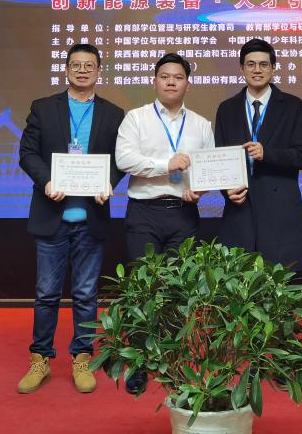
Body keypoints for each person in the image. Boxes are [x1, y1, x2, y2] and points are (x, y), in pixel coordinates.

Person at [17, 43, 125, 395]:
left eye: (89, 65)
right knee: (46, 293)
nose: (82, 70)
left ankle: (82, 358)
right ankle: (40, 359)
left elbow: (120, 159)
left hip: (91, 217)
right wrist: (46, 181)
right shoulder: (43, 107)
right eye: (76, 65)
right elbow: (27, 153)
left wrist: (109, 182)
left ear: (99, 71)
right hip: (52, 215)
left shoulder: (113, 114)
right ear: (66, 70)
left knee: (85, 293)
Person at [114, 52, 218, 394]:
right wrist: (166, 164)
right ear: (155, 81)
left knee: (177, 290)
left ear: (188, 84)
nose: (171, 82)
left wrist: (200, 187)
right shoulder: (136, 118)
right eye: (165, 76)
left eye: (178, 77)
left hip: (184, 214)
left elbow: (208, 166)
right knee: (143, 289)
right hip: (144, 212)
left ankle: (171, 360)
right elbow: (125, 159)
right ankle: (139, 362)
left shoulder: (201, 124)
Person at [214, 38, 302, 271]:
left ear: (273, 68)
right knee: (237, 279)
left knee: (279, 280)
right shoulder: (227, 108)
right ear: (241, 68)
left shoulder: (293, 106)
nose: (257, 70)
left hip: (279, 208)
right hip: (240, 208)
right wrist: (227, 191)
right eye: (250, 64)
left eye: (263, 64)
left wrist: (267, 154)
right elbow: (219, 159)